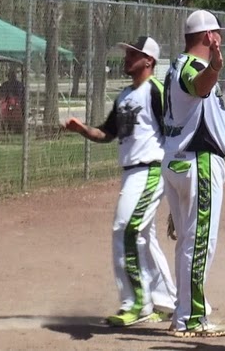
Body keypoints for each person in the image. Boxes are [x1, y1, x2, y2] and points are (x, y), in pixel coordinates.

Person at [63, 36, 176, 327]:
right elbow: (108, 133)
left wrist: (175, 181)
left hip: (150, 169)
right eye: (127, 53)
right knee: (144, 238)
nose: (127, 57)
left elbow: (172, 135)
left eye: (134, 54)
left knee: (125, 229)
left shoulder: (156, 91)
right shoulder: (125, 95)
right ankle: (166, 301)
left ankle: (136, 303)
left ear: (149, 60)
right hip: (130, 172)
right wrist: (82, 129)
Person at [161, 10, 225, 338]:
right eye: (218, 33)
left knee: (188, 244)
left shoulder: (176, 65)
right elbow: (199, 86)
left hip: (180, 161)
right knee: (201, 243)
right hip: (198, 162)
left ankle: (185, 310)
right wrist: (214, 67)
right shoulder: (193, 66)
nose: (221, 38)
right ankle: (190, 318)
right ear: (208, 37)